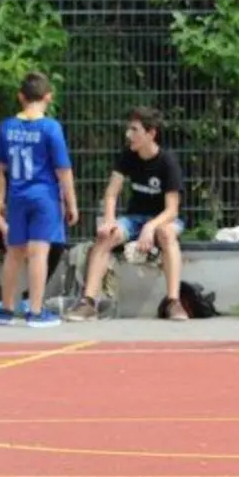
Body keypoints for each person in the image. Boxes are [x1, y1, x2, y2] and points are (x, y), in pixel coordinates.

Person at [64, 106, 186, 321]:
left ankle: (173, 302)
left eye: (134, 129)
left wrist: (151, 227)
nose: (128, 135)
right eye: (128, 129)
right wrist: (110, 221)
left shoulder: (168, 161)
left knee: (167, 235)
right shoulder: (127, 155)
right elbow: (111, 194)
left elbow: (172, 210)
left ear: (151, 133)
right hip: (134, 218)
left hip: (163, 219)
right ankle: (88, 302)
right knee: (105, 236)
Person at [0, 71, 77, 328]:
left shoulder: (6, 127)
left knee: (13, 252)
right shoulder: (51, 127)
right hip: (43, 196)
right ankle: (35, 312)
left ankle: (5, 310)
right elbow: (63, 170)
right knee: (39, 253)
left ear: (20, 97)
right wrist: (71, 203)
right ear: (48, 97)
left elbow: (1, 165)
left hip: (16, 196)